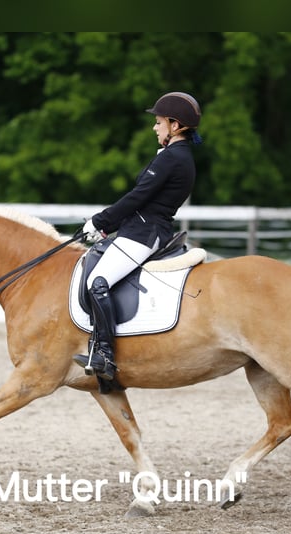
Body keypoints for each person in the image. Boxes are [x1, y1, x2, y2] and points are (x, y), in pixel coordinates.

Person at [73, 91, 202, 384]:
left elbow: (137, 197)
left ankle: (104, 354)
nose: (155, 128)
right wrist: (106, 228)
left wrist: (100, 221)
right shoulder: (175, 156)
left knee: (98, 282)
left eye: (158, 122)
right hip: (141, 228)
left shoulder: (174, 158)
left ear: (175, 125)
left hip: (145, 233)